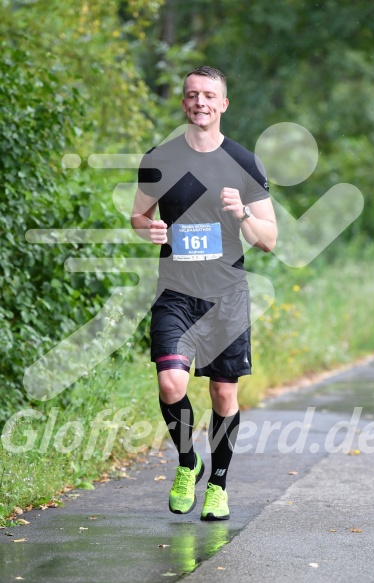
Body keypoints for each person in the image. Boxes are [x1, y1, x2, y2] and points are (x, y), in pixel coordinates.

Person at [131, 66, 277, 520]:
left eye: (209, 95)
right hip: (175, 292)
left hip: (226, 297)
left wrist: (241, 214)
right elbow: (139, 217)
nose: (201, 102)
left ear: (223, 104)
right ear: (183, 103)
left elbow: (268, 239)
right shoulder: (161, 158)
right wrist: (150, 230)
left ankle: (218, 484)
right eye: (192, 95)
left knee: (222, 396)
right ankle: (187, 462)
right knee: (171, 382)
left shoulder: (244, 163)